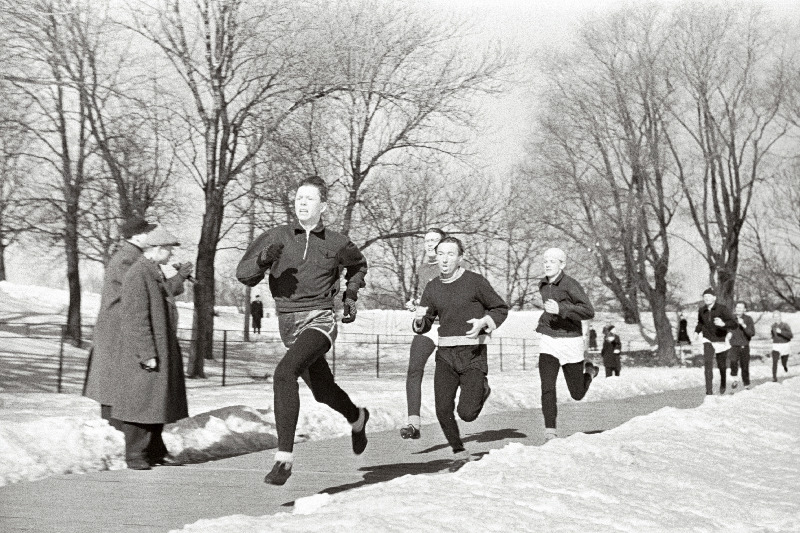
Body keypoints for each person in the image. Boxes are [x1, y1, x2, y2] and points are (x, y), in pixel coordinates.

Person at [236, 175, 369, 486]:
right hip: (288, 323)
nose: (302, 203)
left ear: (323, 206)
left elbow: (358, 265)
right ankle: (357, 417)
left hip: (320, 319)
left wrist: (350, 294)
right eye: (298, 198)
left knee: (285, 373)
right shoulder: (277, 236)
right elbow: (243, 274)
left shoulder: (336, 242)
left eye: (309, 198)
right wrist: (263, 259)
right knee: (322, 392)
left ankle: (283, 460)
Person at [84, 216, 191, 430]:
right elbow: (152, 293)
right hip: (120, 331)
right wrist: (179, 277)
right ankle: (121, 432)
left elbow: (156, 291)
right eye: (147, 232)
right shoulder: (129, 260)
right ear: (137, 236)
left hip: (122, 329)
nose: (151, 236)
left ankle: (126, 431)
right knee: (120, 386)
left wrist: (178, 277)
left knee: (121, 386)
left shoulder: (134, 257)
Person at [412, 236, 508, 471]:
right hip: (445, 354)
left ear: (460, 258)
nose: (444, 259)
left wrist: (484, 321)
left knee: (467, 414)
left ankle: (482, 389)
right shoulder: (432, 287)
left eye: (450, 254)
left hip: (472, 353)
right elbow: (425, 324)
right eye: (440, 254)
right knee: (442, 409)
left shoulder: (475, 282)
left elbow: (500, 308)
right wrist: (419, 318)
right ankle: (459, 452)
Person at [114, 227, 190, 470]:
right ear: (156, 249)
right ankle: (135, 454)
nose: (171, 254)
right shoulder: (138, 273)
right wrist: (146, 353)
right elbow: (135, 318)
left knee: (155, 402)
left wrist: (181, 277)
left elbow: (166, 293)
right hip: (146, 351)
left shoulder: (152, 270)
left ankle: (154, 452)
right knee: (141, 403)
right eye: (168, 250)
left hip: (159, 347)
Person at [535, 248, 598, 442]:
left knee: (577, 393)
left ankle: (589, 372)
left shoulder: (571, 284)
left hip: (571, 340)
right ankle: (550, 431)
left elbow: (588, 311)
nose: (547, 264)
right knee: (547, 386)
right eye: (545, 261)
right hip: (549, 339)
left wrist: (561, 308)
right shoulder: (543, 284)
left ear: (562, 264)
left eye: (552, 261)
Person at [400, 227, 447, 440]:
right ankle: (413, 424)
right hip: (428, 327)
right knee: (414, 370)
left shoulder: (454, 267)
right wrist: (417, 304)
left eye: (435, 240)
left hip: (449, 328)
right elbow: (426, 297)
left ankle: (481, 388)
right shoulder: (422, 269)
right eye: (427, 240)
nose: (430, 244)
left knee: (456, 373)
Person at [694, 288, 737, 395]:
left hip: (720, 339)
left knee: (721, 365)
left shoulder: (722, 309)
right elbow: (700, 323)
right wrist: (696, 331)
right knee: (708, 362)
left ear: (714, 298)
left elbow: (734, 323)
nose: (706, 298)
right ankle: (709, 391)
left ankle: (723, 383)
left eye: (709, 296)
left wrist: (723, 324)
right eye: (705, 297)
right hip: (707, 339)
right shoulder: (702, 310)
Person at [729, 302, 755, 390]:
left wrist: (743, 325)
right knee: (733, 362)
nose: (738, 309)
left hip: (744, 346)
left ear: (744, 310)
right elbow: (728, 329)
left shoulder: (748, 319)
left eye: (741, 308)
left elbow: (751, 333)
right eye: (737, 307)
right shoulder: (732, 318)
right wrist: (728, 333)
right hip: (734, 345)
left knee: (744, 366)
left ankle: (746, 384)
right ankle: (735, 379)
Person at [770, 311, 793, 382]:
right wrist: (772, 338)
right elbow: (772, 334)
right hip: (776, 345)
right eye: (774, 317)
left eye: (777, 316)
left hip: (784, 345)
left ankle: (784, 366)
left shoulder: (785, 325)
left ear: (780, 317)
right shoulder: (773, 326)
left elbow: (791, 335)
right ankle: (774, 377)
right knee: (774, 361)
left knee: (784, 361)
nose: (776, 318)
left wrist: (781, 332)